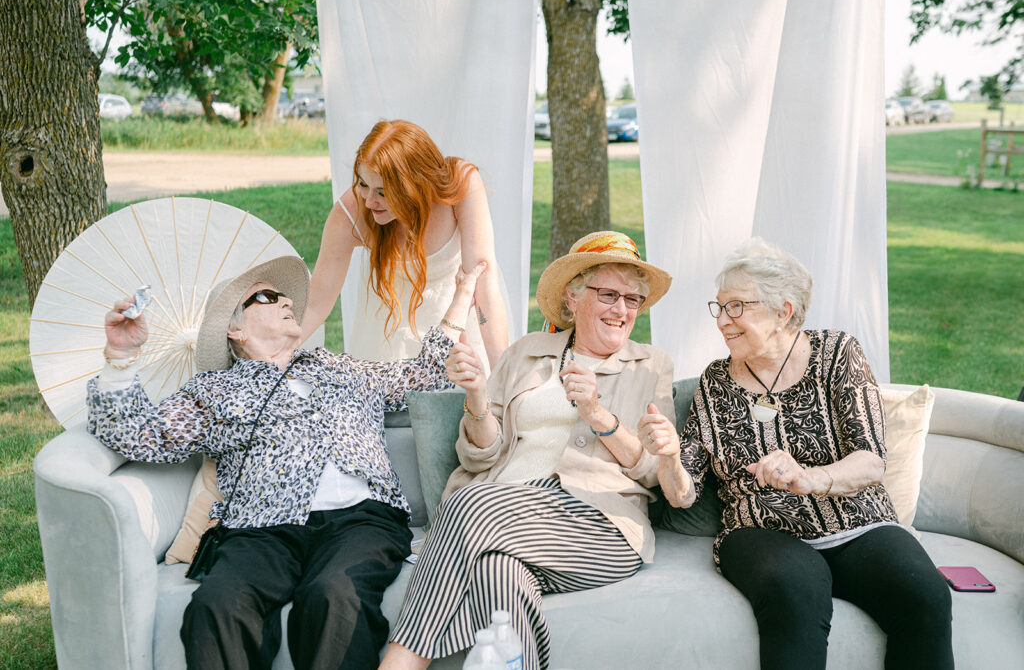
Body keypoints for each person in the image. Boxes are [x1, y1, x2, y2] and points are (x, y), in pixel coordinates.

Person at [87, 255, 485, 670]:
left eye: (286, 297)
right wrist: (120, 356)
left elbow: (423, 375)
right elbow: (139, 436)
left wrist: (461, 295)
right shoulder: (215, 390)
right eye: (267, 297)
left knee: (335, 594)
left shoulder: (338, 367)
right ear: (235, 329)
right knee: (217, 605)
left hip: (362, 520)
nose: (286, 301)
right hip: (260, 528)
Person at [644, 238, 953, 670]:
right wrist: (670, 457)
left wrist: (811, 478)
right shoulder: (716, 382)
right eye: (719, 307)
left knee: (925, 595)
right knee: (797, 593)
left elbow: (871, 459)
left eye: (737, 307)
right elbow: (683, 495)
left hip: (858, 523)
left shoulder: (836, 353)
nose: (723, 322)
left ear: (783, 311)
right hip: (761, 531)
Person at [379, 231, 675, 670]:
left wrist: (597, 414)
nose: (622, 310)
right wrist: (477, 396)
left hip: (597, 525)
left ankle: (400, 663)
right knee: (497, 572)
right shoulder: (526, 354)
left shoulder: (650, 364)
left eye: (633, 300)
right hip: (506, 512)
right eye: (609, 294)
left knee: (465, 505)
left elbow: (655, 471)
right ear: (573, 298)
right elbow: (479, 457)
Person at [303, 119, 508, 371]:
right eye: (364, 184)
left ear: (415, 184)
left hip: (455, 340)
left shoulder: (459, 184)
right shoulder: (350, 212)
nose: (369, 202)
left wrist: (504, 377)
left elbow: (483, 284)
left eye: (382, 192)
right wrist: (263, 359)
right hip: (385, 345)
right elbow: (314, 305)